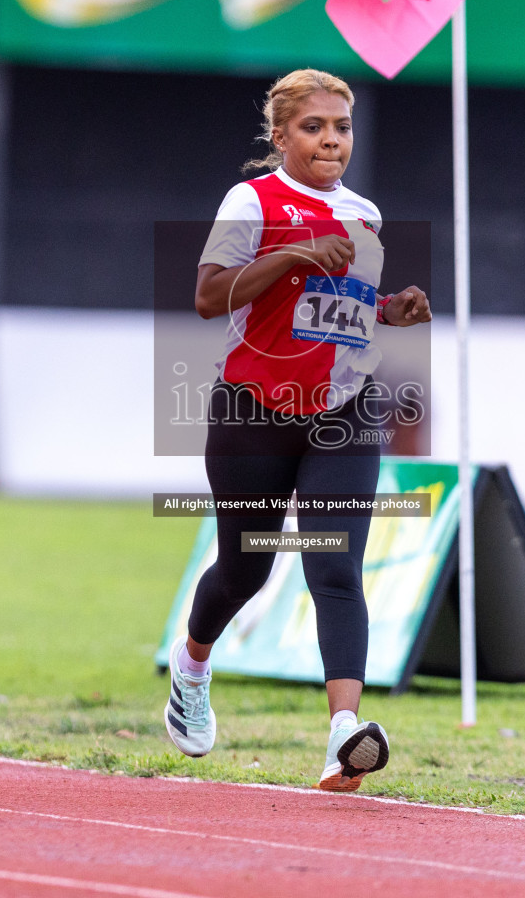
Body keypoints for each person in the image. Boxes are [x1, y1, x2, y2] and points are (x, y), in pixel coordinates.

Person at [168, 69, 432, 792]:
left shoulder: (363, 213)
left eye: (341, 128)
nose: (331, 141)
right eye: (314, 127)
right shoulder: (250, 201)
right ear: (281, 134)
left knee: (336, 568)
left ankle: (345, 735)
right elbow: (207, 296)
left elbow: (334, 308)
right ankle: (192, 667)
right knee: (245, 570)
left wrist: (389, 308)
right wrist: (291, 253)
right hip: (252, 411)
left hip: (344, 413)